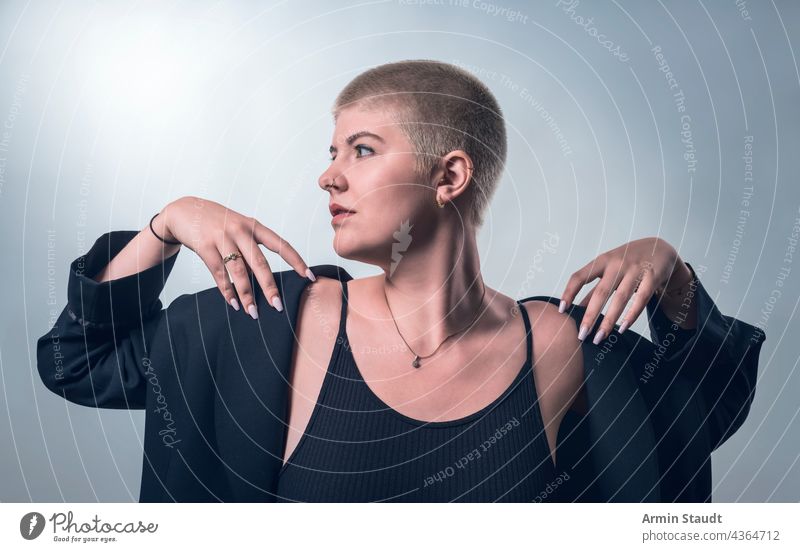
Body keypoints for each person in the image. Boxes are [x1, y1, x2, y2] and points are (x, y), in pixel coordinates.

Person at [36, 59, 766, 502]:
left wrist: (670, 276)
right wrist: (167, 223)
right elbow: (76, 361)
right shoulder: (254, 319)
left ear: (449, 174)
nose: (328, 176)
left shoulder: (568, 345)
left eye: (361, 149)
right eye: (332, 152)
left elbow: (702, 418)